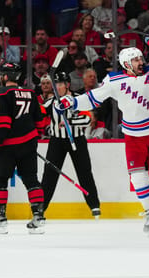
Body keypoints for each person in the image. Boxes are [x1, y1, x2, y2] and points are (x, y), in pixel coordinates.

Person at [56, 47, 149, 236]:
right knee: (138, 177)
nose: (141, 62)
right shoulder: (114, 81)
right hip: (133, 135)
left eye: (141, 58)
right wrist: (70, 103)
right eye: (136, 60)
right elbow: (92, 98)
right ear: (126, 64)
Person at [0, 62, 46, 234]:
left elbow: (3, 125)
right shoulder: (30, 92)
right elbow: (40, 122)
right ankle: (38, 218)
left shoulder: (1, 93)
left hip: (8, 147)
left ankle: (0, 219)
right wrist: (31, 137)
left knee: (0, 179)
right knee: (31, 179)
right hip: (29, 143)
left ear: (4, 76)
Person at [41, 72, 101, 217]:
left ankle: (94, 205)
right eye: (55, 84)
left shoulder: (78, 100)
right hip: (56, 141)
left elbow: (87, 119)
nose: (57, 87)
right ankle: (40, 208)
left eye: (60, 84)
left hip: (77, 140)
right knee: (49, 175)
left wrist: (70, 122)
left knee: (85, 173)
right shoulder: (51, 102)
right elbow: (39, 112)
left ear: (67, 85)